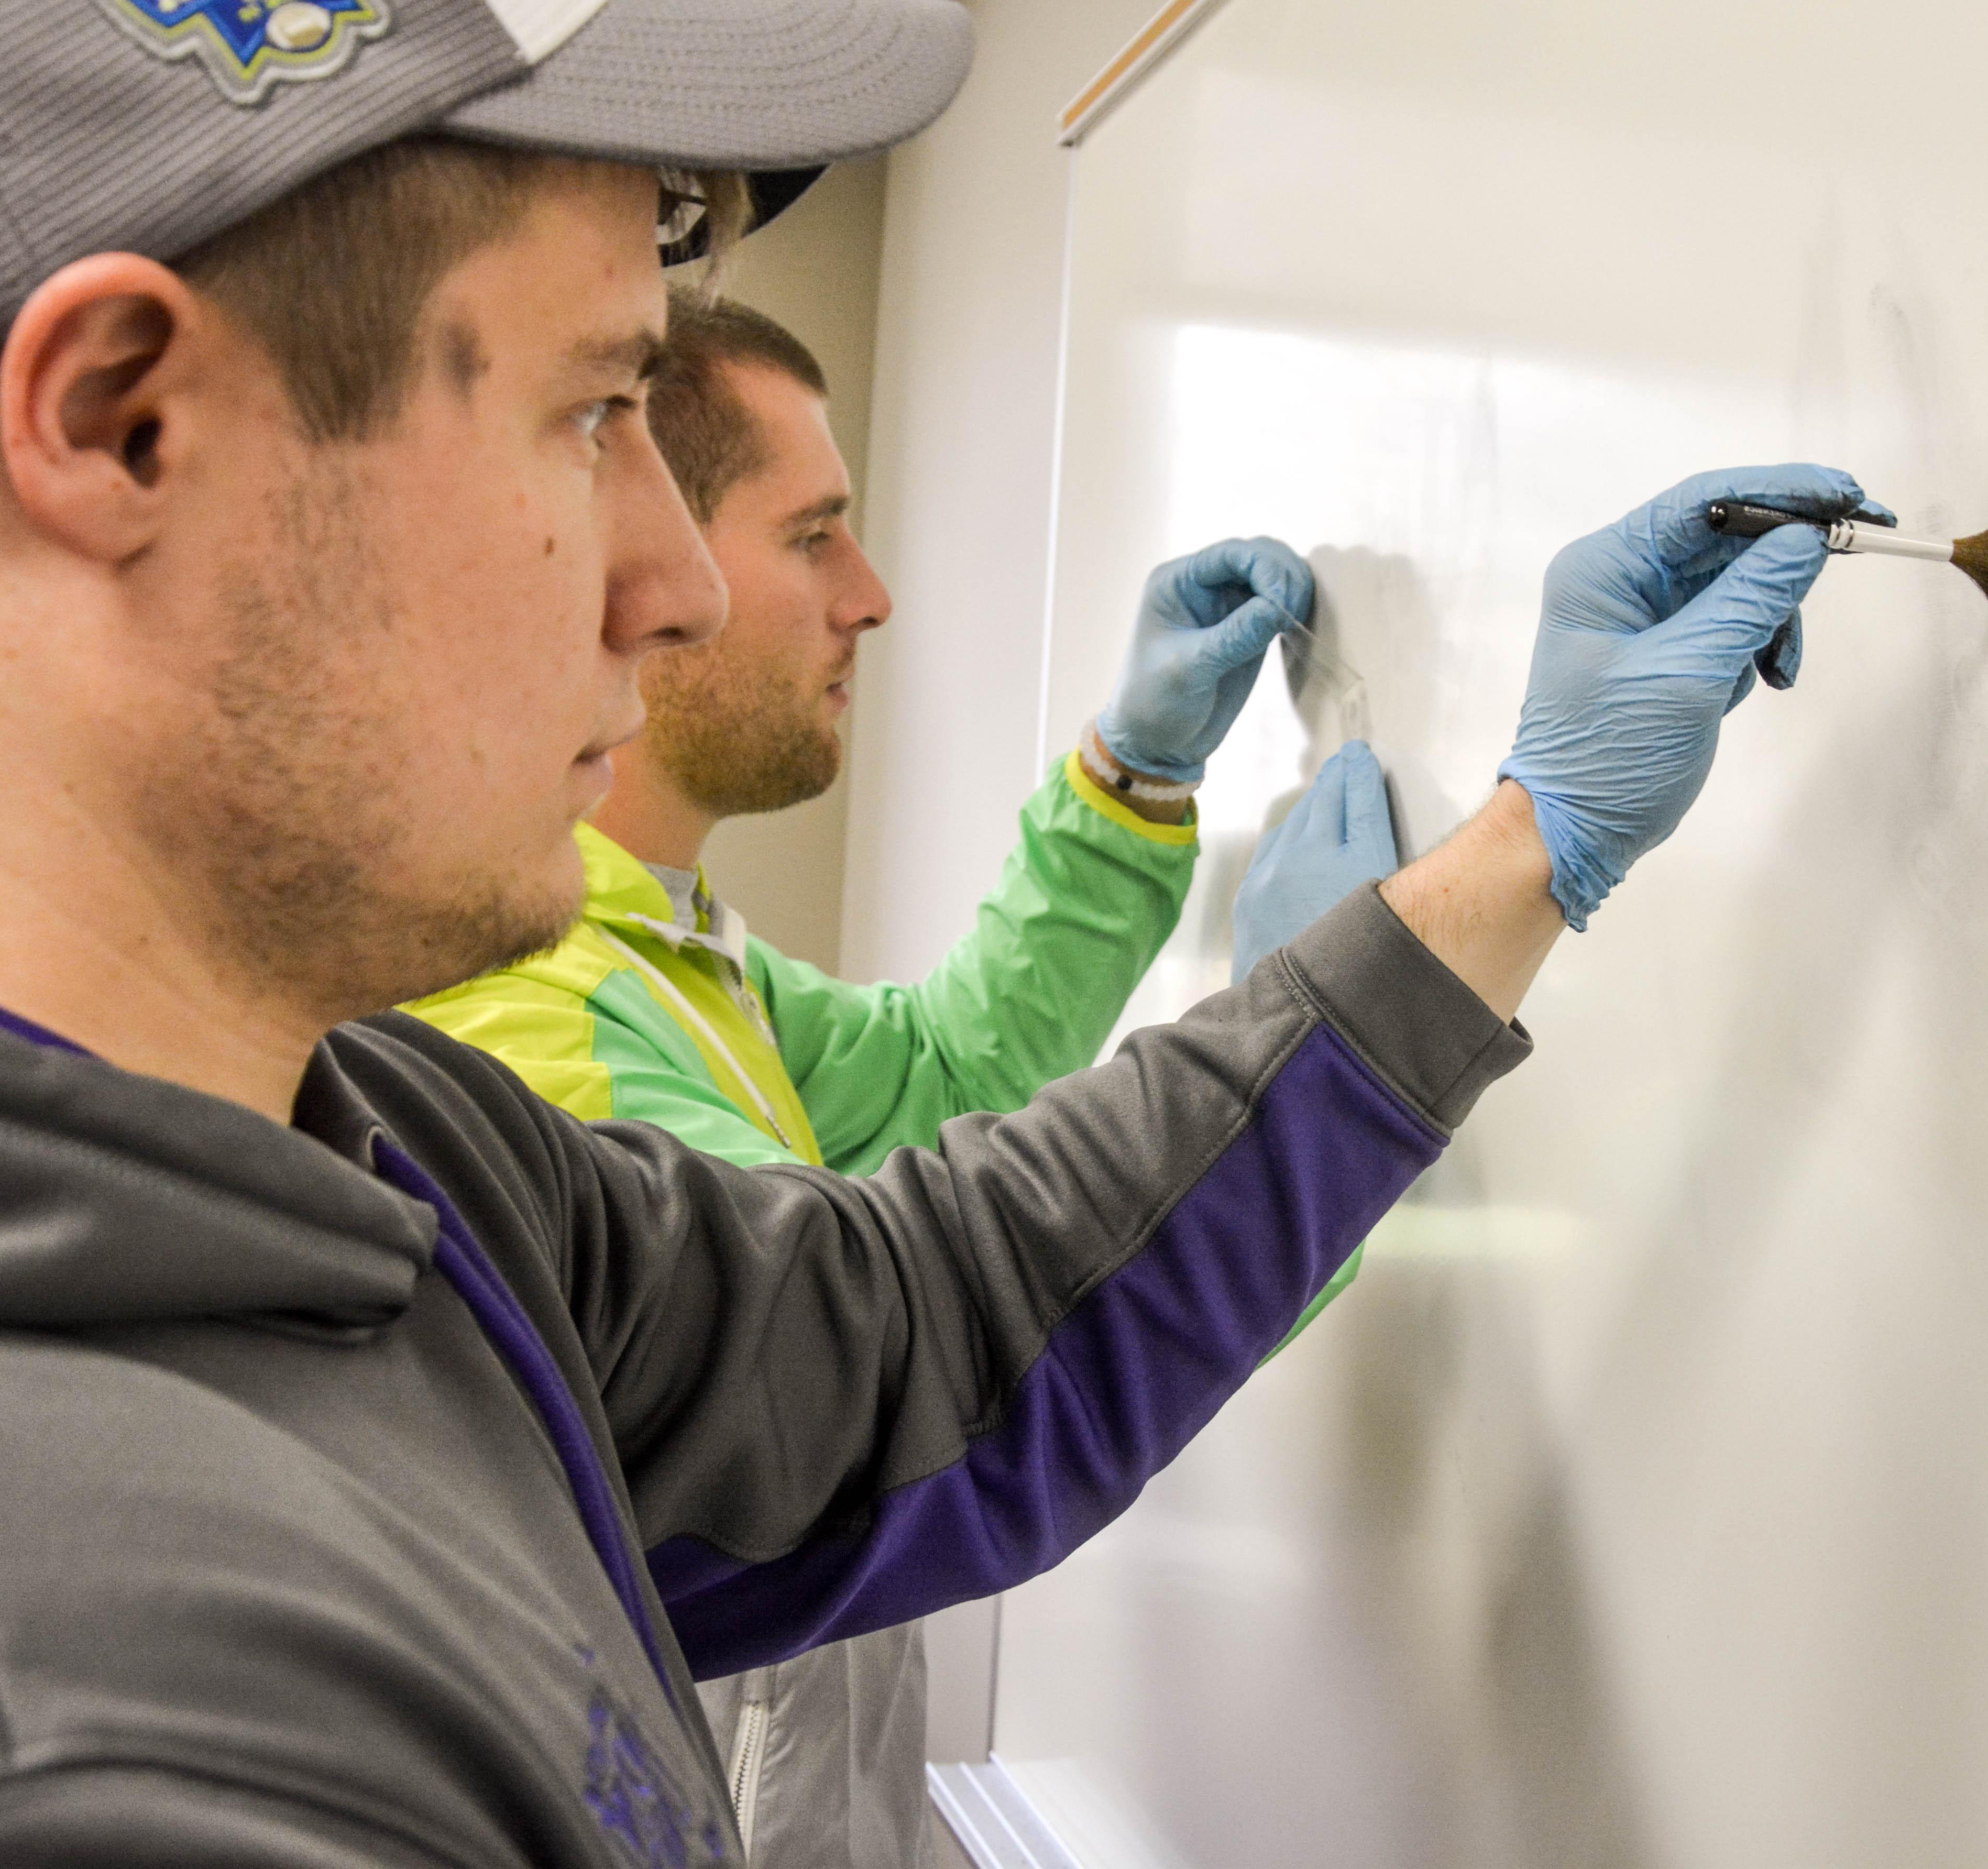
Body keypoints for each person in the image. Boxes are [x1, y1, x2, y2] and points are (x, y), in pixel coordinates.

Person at [0, 0, 1869, 1859]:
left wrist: (1514, 855)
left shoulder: (342, 1122)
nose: (679, 580)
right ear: (124, 427)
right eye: (596, 408)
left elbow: (919, 1331)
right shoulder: (14, 1746)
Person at [408, 296, 1397, 1866]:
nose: (870, 599)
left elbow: (944, 1078)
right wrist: (1319, 1039)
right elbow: (906, 1356)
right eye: (815, 538)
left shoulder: (653, 951)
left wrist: (1129, 785)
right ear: (644, 566)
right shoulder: (529, 1025)